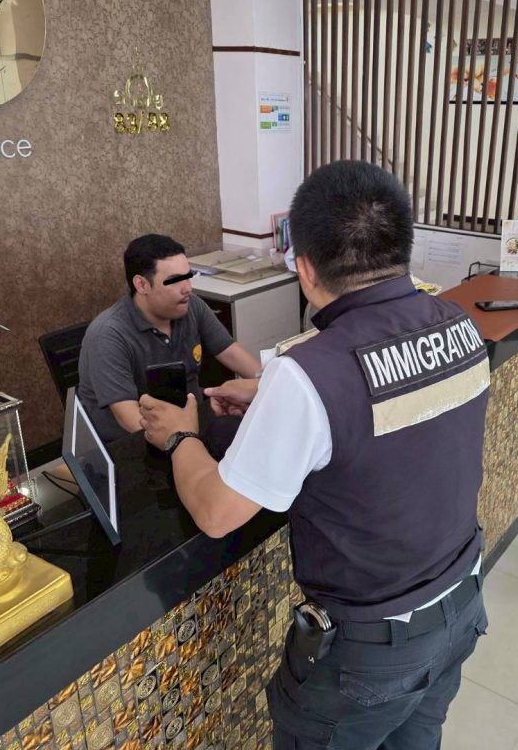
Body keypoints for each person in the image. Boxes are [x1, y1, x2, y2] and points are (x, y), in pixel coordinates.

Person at [139, 160, 491, 748]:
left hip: (370, 654)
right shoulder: (456, 323)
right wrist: (271, 396)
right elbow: (388, 407)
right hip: (460, 605)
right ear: (403, 246)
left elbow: (217, 512)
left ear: (303, 268)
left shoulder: (308, 374)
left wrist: (181, 436)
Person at [77, 233, 261, 442]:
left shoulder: (192, 306)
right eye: (174, 281)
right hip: (133, 442)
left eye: (188, 276)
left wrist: (269, 384)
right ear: (142, 285)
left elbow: (231, 353)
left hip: (190, 422)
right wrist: (184, 444)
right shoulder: (108, 335)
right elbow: (129, 417)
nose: (187, 288)